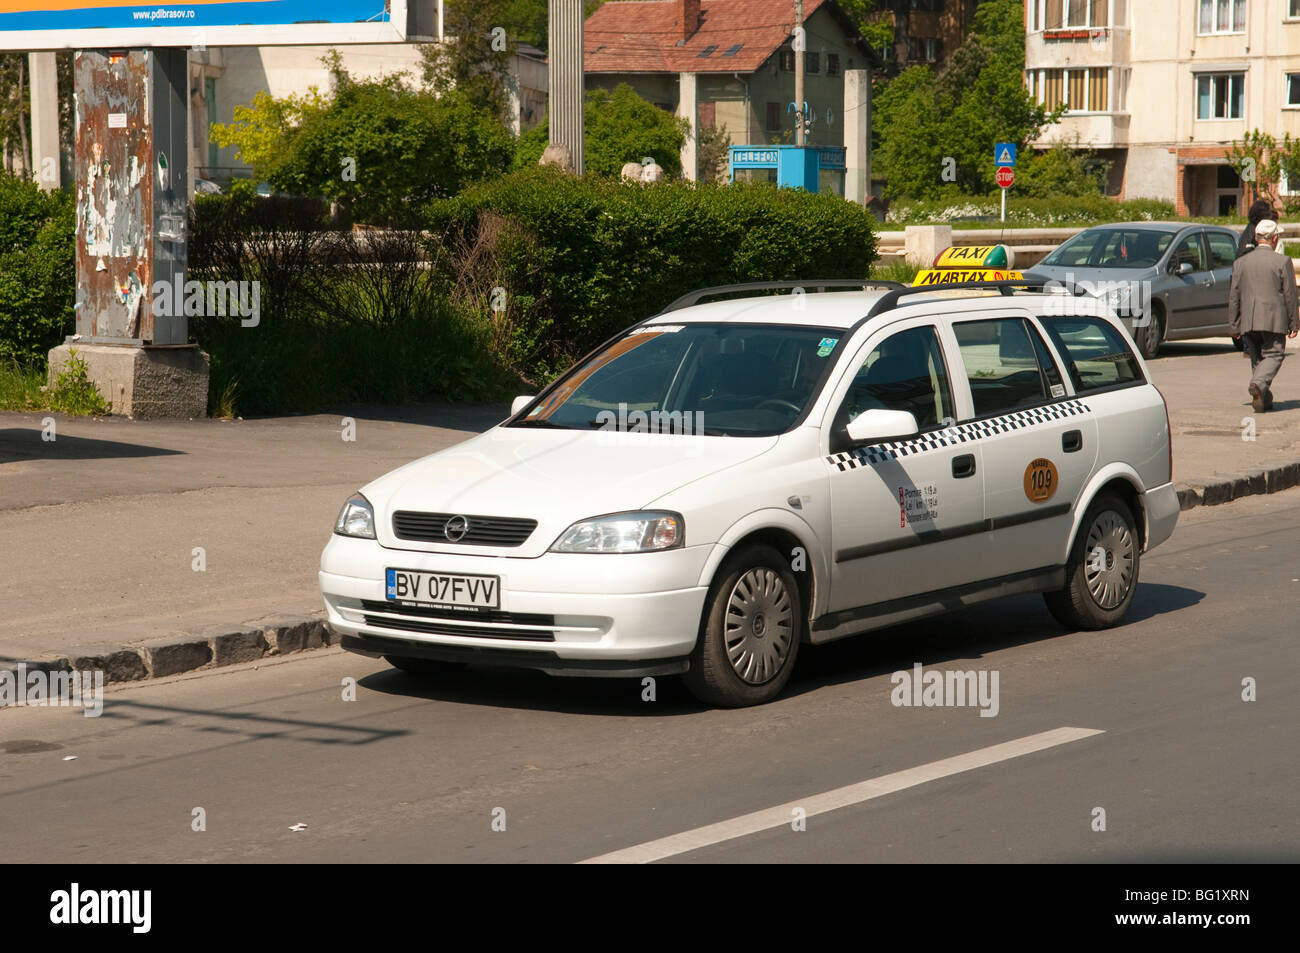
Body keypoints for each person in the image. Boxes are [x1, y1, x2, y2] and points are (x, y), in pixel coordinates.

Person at [1228, 218, 1300, 411]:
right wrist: (1294, 324)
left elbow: (1234, 296)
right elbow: (1290, 294)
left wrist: (1234, 325)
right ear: (1274, 238)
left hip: (1248, 320)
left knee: (1258, 360)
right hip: (1273, 319)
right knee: (1274, 354)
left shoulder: (1241, 263)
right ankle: (1258, 384)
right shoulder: (1282, 261)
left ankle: (1263, 399)